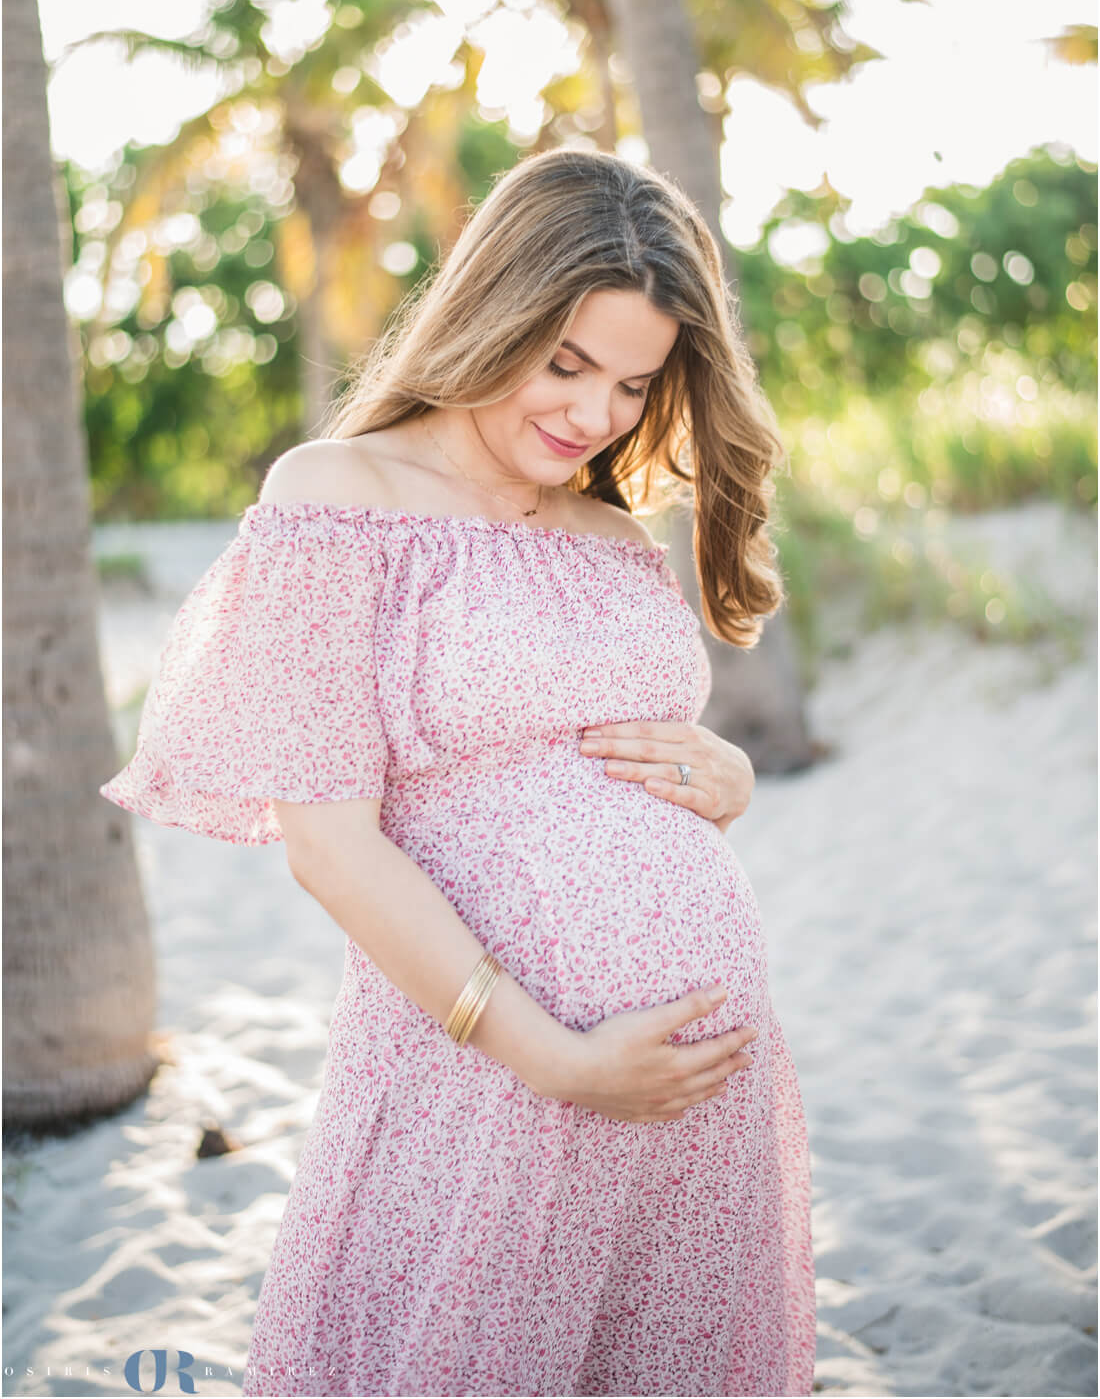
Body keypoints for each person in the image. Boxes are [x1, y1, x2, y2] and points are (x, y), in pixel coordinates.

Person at [99, 147, 815, 1397]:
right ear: (492, 312)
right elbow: (329, 843)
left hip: (692, 1096)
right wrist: (553, 1055)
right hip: (490, 1077)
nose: (593, 416)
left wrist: (723, 777)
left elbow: (602, 762)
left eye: (633, 384)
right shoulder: (333, 497)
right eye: (565, 364)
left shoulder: (608, 530)